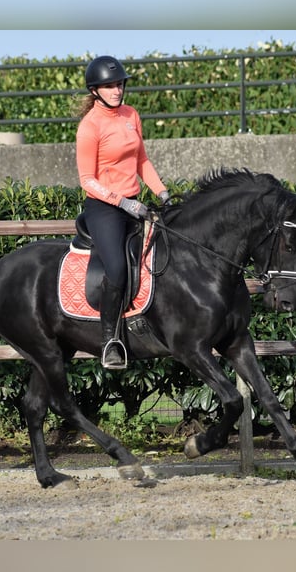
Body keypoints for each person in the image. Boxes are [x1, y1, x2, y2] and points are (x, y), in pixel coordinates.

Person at [75, 55, 170, 369]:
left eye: (119, 84)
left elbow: (142, 160)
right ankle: (109, 341)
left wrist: (163, 193)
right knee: (116, 269)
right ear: (95, 90)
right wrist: (123, 202)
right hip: (105, 209)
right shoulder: (90, 126)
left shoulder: (131, 115)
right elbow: (87, 180)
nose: (116, 90)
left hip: (136, 204)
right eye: (109, 85)